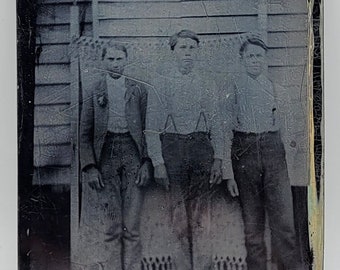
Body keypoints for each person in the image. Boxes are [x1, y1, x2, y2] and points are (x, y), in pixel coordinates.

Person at [145, 30, 225, 270]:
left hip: (201, 150)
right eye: (182, 48)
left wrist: (219, 159)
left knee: (203, 217)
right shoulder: (160, 82)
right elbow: (151, 127)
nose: (187, 53)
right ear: (173, 52)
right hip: (173, 151)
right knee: (177, 215)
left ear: (197, 52)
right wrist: (158, 162)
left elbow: (217, 124)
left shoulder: (207, 83)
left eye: (192, 48)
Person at [223, 37, 301, 270]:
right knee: (252, 226)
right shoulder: (232, 92)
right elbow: (224, 132)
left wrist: (287, 164)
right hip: (244, 155)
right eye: (250, 56)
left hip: (274, 154)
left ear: (265, 60)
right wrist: (228, 173)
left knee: (284, 224)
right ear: (242, 60)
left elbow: (289, 132)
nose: (255, 60)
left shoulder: (279, 91)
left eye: (259, 56)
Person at [79, 42, 153, 270]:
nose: (115, 64)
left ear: (126, 61)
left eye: (119, 59)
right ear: (103, 62)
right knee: (111, 227)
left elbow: (149, 128)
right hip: (106, 156)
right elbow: (84, 134)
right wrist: (90, 167)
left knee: (131, 227)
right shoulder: (95, 90)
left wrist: (147, 162)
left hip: (133, 154)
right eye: (110, 59)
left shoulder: (138, 90)